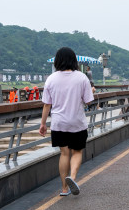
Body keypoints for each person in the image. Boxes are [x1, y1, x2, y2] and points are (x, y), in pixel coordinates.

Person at [39, 47, 94, 196]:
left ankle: (64, 188)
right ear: (73, 60)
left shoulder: (51, 78)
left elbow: (46, 104)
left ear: (57, 61)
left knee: (64, 154)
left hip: (59, 122)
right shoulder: (82, 77)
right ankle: (73, 177)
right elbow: (89, 102)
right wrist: (92, 92)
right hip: (77, 122)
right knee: (77, 151)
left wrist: (43, 124)